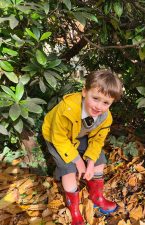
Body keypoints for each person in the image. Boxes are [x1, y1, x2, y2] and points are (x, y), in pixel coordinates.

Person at [42, 70, 123, 224]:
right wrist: (79, 162)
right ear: (85, 92)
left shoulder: (106, 118)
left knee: (99, 159)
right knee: (69, 169)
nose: (99, 106)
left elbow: (97, 141)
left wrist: (90, 162)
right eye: (95, 98)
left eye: (106, 102)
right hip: (56, 136)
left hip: (79, 134)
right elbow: (59, 138)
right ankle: (74, 210)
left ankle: (96, 196)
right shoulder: (67, 108)